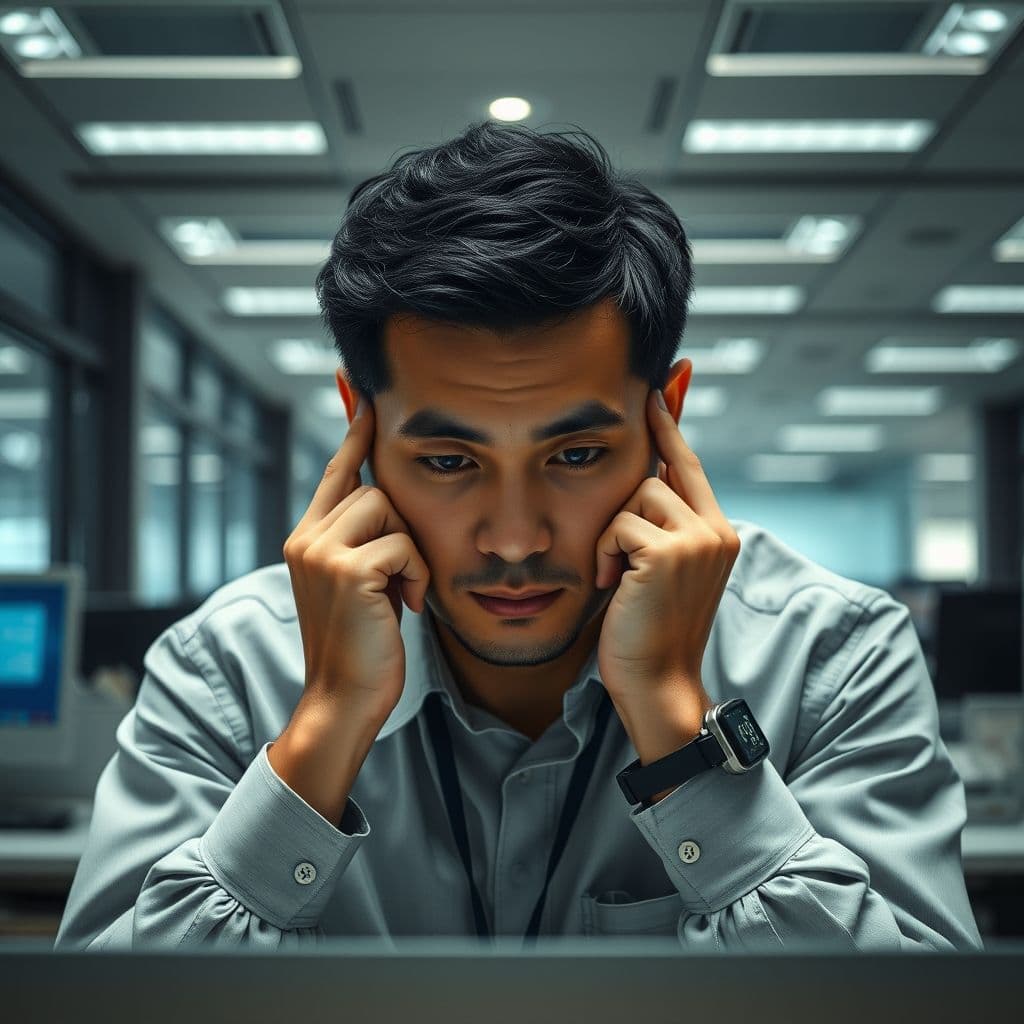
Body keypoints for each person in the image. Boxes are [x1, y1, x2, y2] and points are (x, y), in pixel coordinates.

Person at [55, 121, 982, 952]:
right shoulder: (228, 665)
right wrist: (325, 727)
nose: (510, 539)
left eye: (575, 454)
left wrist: (676, 724)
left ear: (667, 416)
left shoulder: (833, 654)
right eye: (450, 462)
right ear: (360, 427)